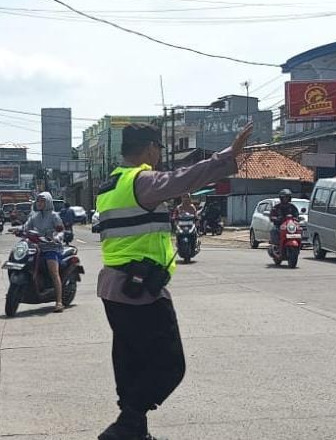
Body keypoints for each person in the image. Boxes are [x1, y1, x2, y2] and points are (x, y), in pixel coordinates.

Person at [95, 122, 254, 440]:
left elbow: (141, 217)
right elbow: (186, 176)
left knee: (131, 361)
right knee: (170, 365)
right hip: (141, 290)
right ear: (150, 148)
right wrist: (228, 155)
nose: (158, 156)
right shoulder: (142, 180)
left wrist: (177, 204)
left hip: (114, 288)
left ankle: (135, 431)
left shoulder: (110, 185)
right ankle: (127, 423)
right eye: (158, 149)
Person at [23, 191, 70, 313]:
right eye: (38, 201)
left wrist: (57, 238)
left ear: (48, 202)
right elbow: (26, 227)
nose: (39, 203)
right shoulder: (34, 216)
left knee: (53, 272)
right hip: (37, 247)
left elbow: (61, 231)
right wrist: (18, 230)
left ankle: (59, 302)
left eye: (42, 201)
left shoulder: (54, 216)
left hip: (52, 248)